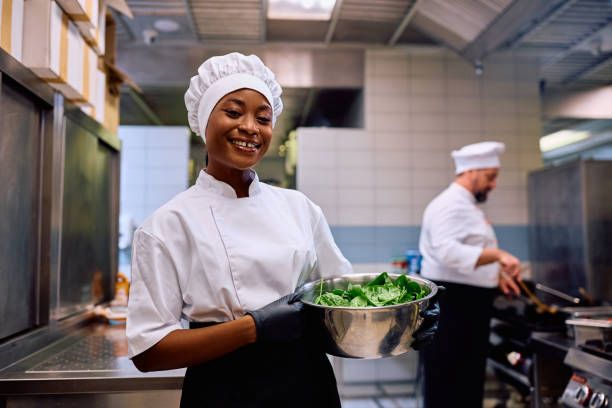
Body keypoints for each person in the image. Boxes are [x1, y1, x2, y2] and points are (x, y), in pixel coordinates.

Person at [126, 52, 440, 408]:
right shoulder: (167, 225)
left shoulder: (299, 208)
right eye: (233, 112)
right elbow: (148, 351)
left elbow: (344, 312)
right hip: (223, 390)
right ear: (203, 119)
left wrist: (403, 325)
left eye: (263, 117)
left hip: (306, 382)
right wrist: (254, 327)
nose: (250, 127)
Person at [418, 141, 522, 408]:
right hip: (454, 306)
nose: (494, 185)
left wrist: (497, 275)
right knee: (449, 383)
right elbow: (447, 251)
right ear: (471, 171)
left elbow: (471, 252)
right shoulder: (450, 204)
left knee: (465, 381)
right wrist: (500, 256)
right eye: (491, 177)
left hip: (467, 305)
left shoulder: (466, 205)